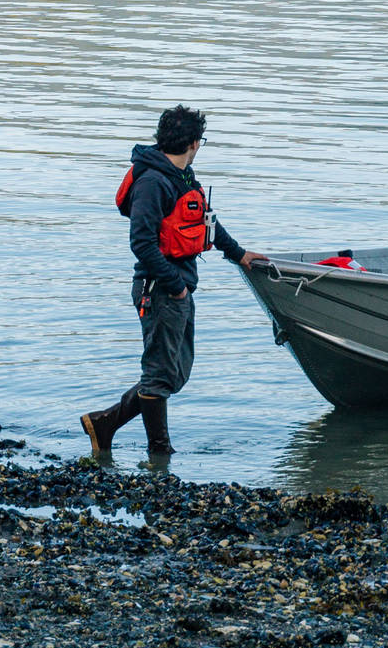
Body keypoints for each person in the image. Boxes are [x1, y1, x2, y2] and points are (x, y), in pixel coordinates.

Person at [82, 106, 265, 457]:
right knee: (160, 375)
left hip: (177, 285)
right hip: (160, 288)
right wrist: (175, 285)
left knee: (174, 373)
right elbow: (142, 244)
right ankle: (160, 452)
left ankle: (104, 424)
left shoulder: (183, 175)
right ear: (195, 142)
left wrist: (239, 254)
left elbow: (207, 220)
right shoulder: (153, 181)